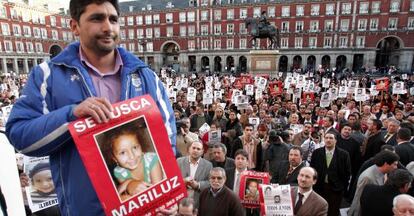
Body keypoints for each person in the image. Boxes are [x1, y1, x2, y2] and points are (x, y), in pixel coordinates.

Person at [5, 0, 176, 214]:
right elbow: (19, 134)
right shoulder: (47, 76)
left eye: (113, 19)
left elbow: (166, 138)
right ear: (74, 26)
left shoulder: (145, 75)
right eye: (97, 18)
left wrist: (167, 195)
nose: (107, 27)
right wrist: (71, 115)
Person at [102, 125, 163, 200]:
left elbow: (159, 192)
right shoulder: (119, 172)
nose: (132, 156)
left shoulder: (152, 160)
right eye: (123, 152)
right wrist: (128, 183)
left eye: (135, 147)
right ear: (114, 158)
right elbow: (121, 195)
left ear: (141, 146)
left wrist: (127, 184)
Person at [310, 132, 351, 216]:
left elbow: (347, 173)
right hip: (319, 188)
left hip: (336, 189)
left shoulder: (344, 154)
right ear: (324, 139)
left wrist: (342, 187)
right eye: (326, 138)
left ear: (336, 140)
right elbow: (312, 170)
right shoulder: (316, 153)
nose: (328, 140)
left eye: (331, 138)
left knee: (333, 211)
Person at [348, 150, 400, 216]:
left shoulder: (383, 173)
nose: (396, 167)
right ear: (386, 164)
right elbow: (359, 200)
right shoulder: (368, 177)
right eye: (395, 164)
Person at [177, 141, 212, 208]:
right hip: (181, 199)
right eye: (193, 148)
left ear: (202, 152)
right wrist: (182, 181)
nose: (195, 150)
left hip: (198, 201)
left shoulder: (208, 165)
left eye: (198, 149)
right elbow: (172, 178)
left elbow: (210, 182)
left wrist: (198, 185)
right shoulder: (179, 161)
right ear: (189, 149)